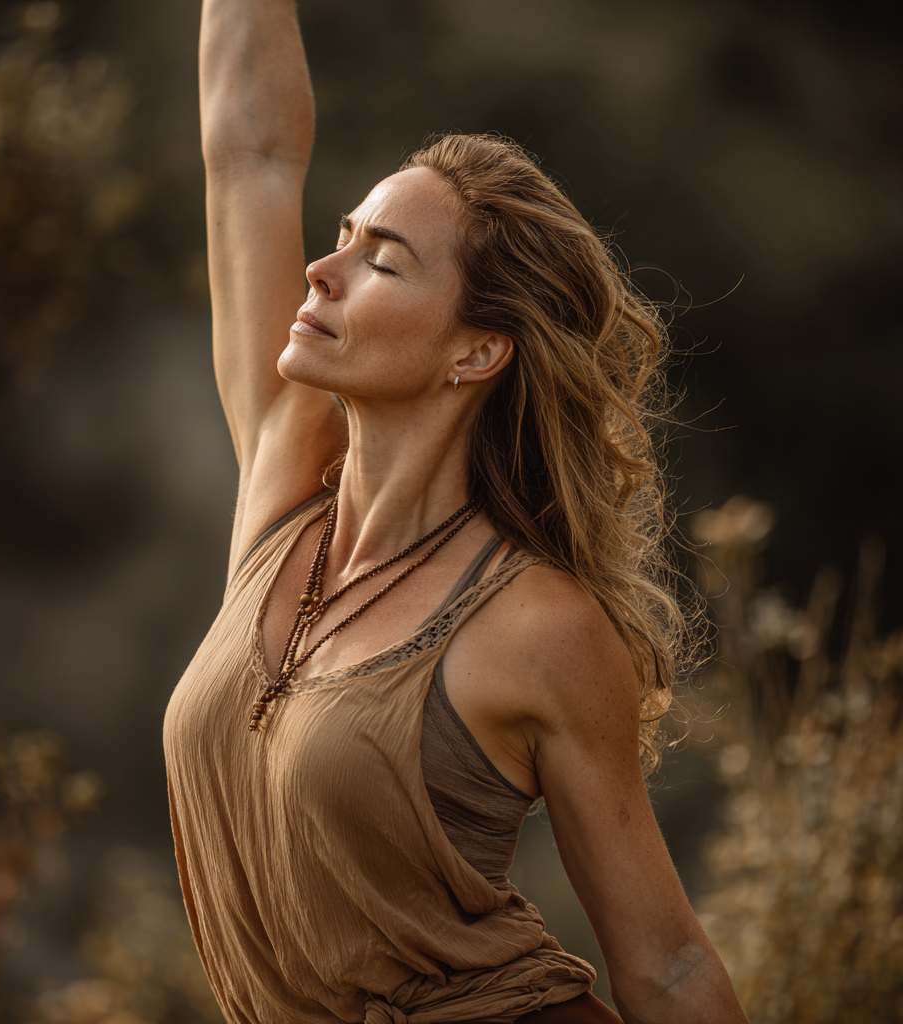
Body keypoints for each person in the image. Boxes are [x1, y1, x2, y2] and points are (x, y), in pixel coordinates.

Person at [163, 2, 749, 1022]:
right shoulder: (283, 487)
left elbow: (665, 964)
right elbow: (249, 152)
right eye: (342, 237)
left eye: (380, 260)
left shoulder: (539, 627)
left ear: (475, 351)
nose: (322, 269)